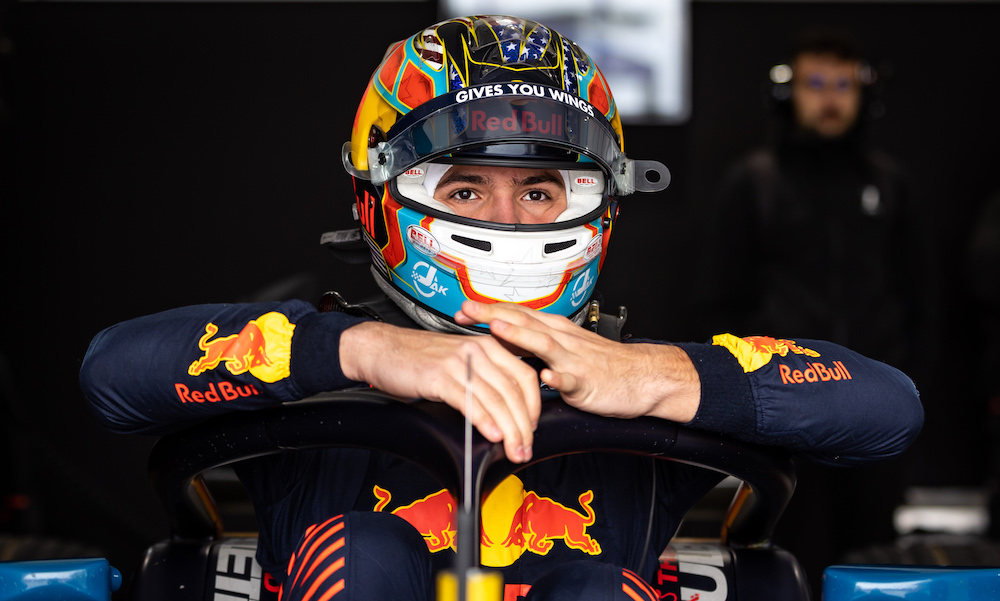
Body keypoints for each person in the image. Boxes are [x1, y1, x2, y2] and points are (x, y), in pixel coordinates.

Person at [79, 15, 923, 601]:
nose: (508, 220)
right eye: (467, 188)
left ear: (602, 202)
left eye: (541, 190)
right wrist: (364, 351)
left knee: (594, 588)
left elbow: (888, 409)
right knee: (365, 551)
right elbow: (112, 375)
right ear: (378, 195)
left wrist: (658, 376)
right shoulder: (319, 361)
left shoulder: (629, 377)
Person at [698, 28, 932, 593]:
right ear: (788, 92)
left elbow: (919, 295)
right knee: (788, 558)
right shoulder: (753, 182)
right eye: (816, 83)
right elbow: (720, 299)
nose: (831, 98)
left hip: (874, 407)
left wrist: (908, 382)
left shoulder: (889, 184)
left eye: (843, 85)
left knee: (872, 559)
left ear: (863, 93)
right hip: (786, 413)